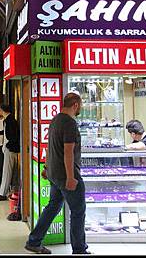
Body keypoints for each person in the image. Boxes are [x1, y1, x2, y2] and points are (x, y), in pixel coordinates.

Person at [25, 93, 89, 255]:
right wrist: (71, 177)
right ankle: (79, 249)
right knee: (78, 211)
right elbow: (68, 152)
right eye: (80, 105)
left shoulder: (56, 120)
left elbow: (49, 146)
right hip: (66, 175)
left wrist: (47, 167)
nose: (80, 108)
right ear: (75, 105)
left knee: (53, 206)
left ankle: (34, 241)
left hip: (54, 173)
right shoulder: (69, 123)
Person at [0, 104, 19, 201]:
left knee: (7, 171)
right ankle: (2, 191)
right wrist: (0, 133)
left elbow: (12, 136)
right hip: (9, 148)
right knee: (6, 170)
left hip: (10, 149)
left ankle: (3, 193)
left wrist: (8, 146)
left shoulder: (10, 120)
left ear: (3, 111)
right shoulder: (9, 120)